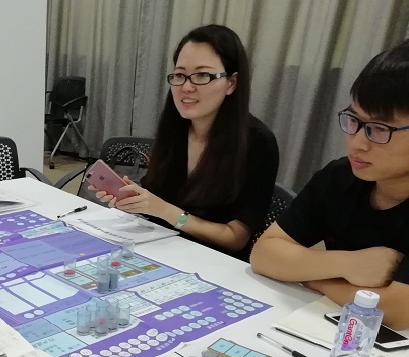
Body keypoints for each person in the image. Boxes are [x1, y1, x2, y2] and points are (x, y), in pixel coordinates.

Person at [250, 39, 409, 330]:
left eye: (378, 129)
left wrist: (313, 277)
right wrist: (348, 265)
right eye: (354, 120)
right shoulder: (340, 177)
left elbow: (397, 311)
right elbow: (264, 254)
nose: (357, 143)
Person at [91, 25, 279, 259]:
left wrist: (167, 211)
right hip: (162, 249)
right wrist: (135, 200)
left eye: (202, 75)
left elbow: (235, 239)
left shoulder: (258, 142)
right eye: (180, 75)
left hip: (212, 262)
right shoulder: (177, 126)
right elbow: (157, 201)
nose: (187, 87)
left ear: (231, 83)